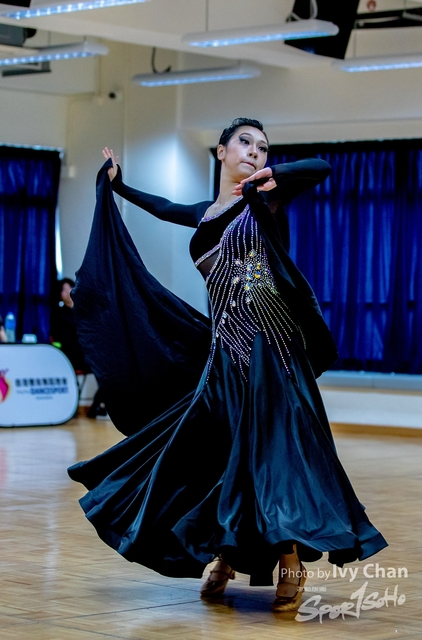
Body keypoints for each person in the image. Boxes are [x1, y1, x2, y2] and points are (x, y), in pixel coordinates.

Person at [68, 118, 387, 612]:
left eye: (263, 147)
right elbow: (163, 206)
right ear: (220, 151)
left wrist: (274, 175)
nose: (255, 152)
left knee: (273, 456)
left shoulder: (265, 199)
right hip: (223, 357)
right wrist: (120, 185)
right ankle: (226, 552)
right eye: (245, 142)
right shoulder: (204, 213)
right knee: (217, 454)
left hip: (271, 352)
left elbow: (321, 166)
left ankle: (289, 558)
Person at [51, 278, 109, 419]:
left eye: (69, 288)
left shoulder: (84, 311)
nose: (67, 292)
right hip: (71, 355)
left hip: (88, 353)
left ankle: (98, 405)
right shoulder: (58, 315)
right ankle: (71, 408)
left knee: (109, 369)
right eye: (63, 290)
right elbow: (61, 340)